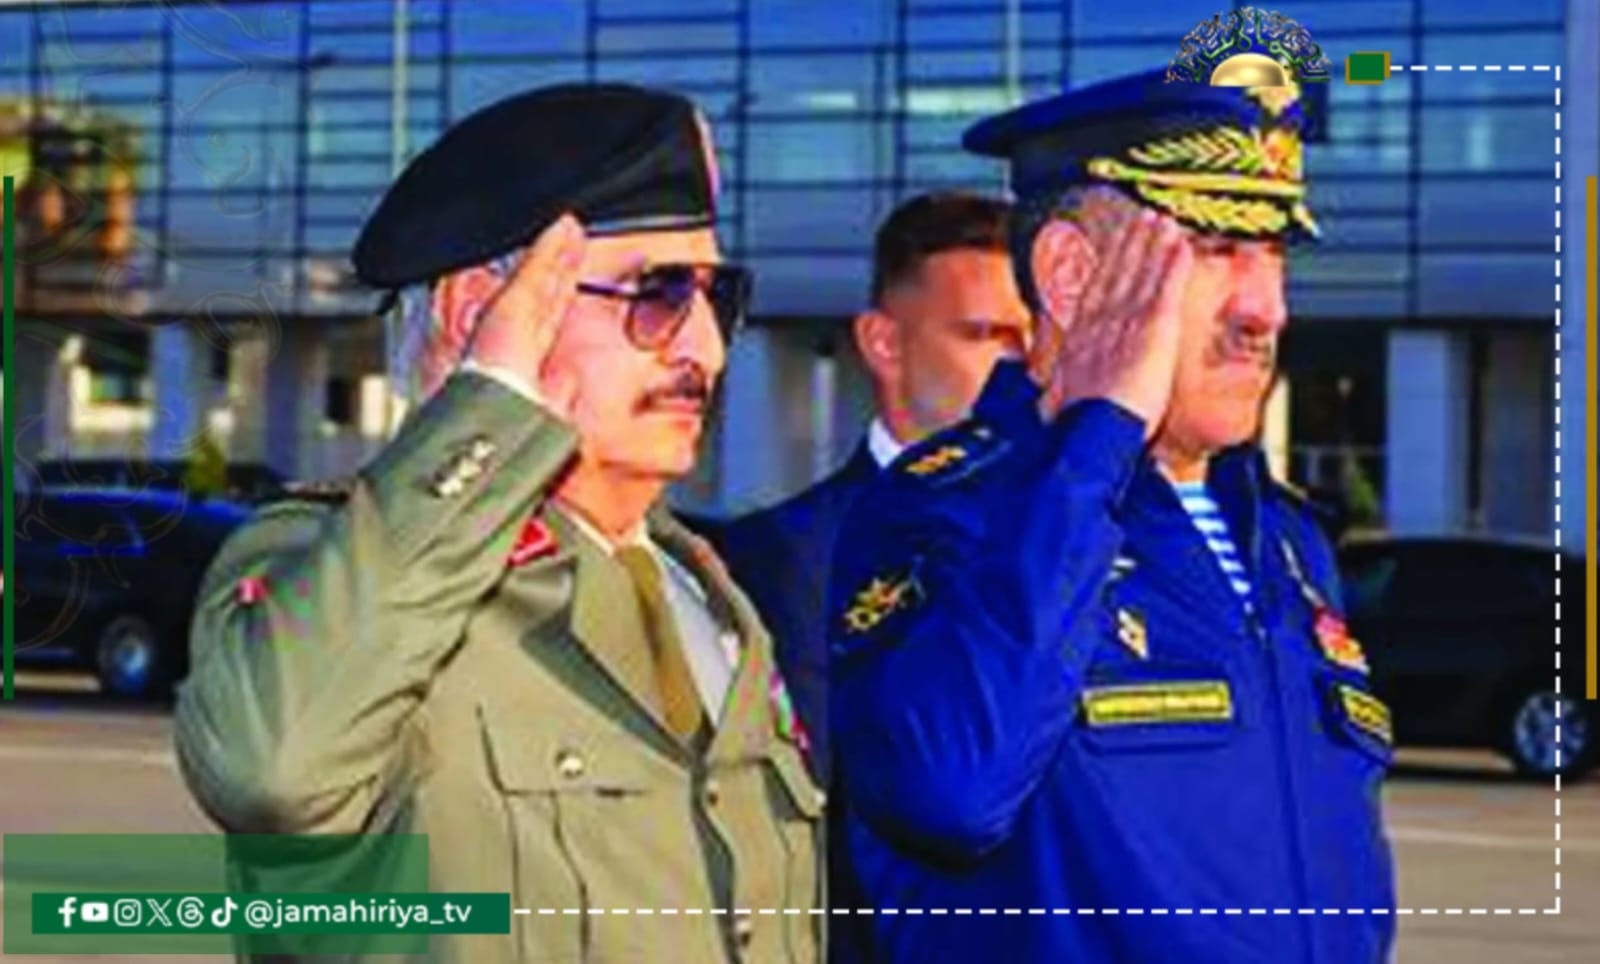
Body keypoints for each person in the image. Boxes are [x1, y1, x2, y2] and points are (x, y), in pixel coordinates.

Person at [174, 83, 823, 964]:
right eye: (659, 292)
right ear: (477, 315)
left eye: (717, 295)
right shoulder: (327, 565)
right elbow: (269, 769)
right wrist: (492, 405)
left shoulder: (706, 592)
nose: (705, 347)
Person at [827, 69, 1396, 963]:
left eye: (1276, 254)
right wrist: (1095, 444)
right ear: (1070, 274)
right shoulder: (945, 511)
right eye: (1215, 246)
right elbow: (949, 791)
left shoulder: (1289, 543)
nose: (1268, 309)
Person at [713, 192, 1030, 963]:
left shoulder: (1080, 537)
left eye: (1035, 336)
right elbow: (810, 834)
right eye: (986, 335)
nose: (1024, 365)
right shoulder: (785, 557)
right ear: (883, 343)